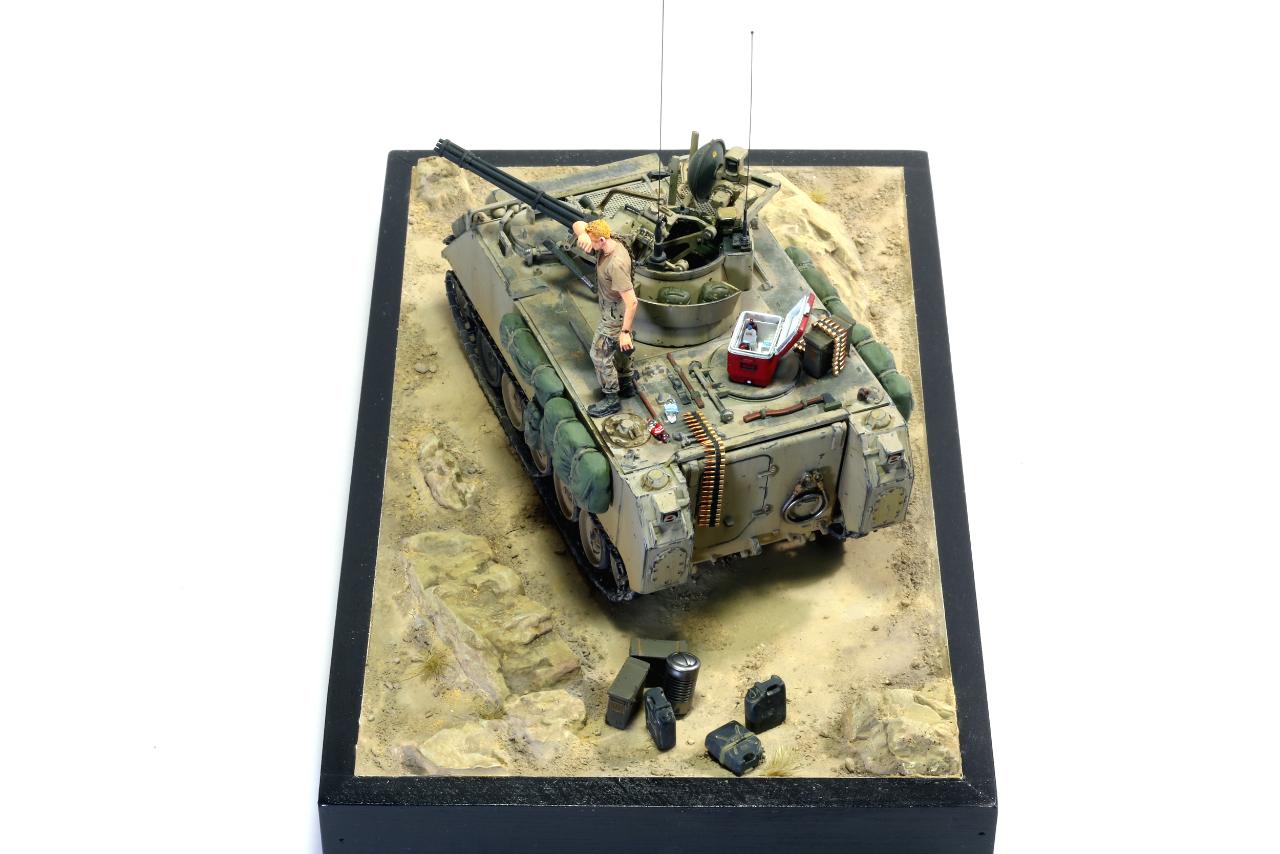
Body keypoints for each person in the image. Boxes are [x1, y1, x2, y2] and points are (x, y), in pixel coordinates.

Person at [572, 218, 638, 417]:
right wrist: (583, 235)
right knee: (621, 349)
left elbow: (632, 302)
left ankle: (611, 399)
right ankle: (626, 382)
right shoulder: (610, 238)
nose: (590, 247)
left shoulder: (616, 264)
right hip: (612, 308)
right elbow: (577, 223)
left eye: (592, 242)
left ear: (601, 240)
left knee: (599, 354)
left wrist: (624, 332)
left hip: (614, 314)